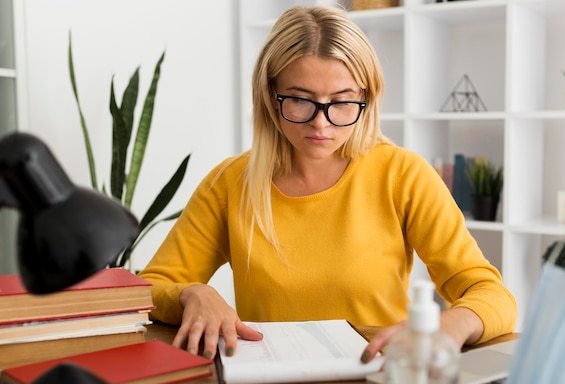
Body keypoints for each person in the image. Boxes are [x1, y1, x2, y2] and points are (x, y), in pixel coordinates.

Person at [138, 5, 517, 363]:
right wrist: (193, 293)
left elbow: (492, 295)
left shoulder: (402, 174)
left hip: (378, 380)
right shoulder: (230, 183)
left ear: (366, 97)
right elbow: (149, 289)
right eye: (301, 101)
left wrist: (450, 323)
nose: (321, 123)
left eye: (342, 102)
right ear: (271, 97)